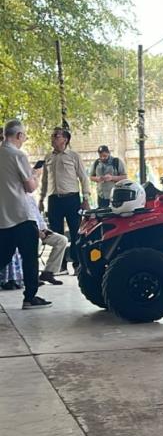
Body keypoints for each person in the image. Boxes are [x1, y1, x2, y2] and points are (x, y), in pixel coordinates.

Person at [0, 120, 52, 308]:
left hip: (2, 217)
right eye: (24, 135)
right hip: (21, 215)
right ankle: (30, 297)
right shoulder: (18, 155)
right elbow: (29, 187)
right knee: (29, 258)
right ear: (19, 135)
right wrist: (36, 175)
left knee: (3, 256)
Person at [38, 126, 90, 273]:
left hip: (72, 198)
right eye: (52, 135)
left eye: (56, 136)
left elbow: (83, 177)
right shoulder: (48, 157)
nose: (52, 138)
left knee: (75, 231)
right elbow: (44, 180)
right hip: (54, 199)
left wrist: (85, 198)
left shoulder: (73, 156)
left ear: (65, 139)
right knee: (56, 233)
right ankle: (59, 266)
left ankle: (76, 263)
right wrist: (41, 198)